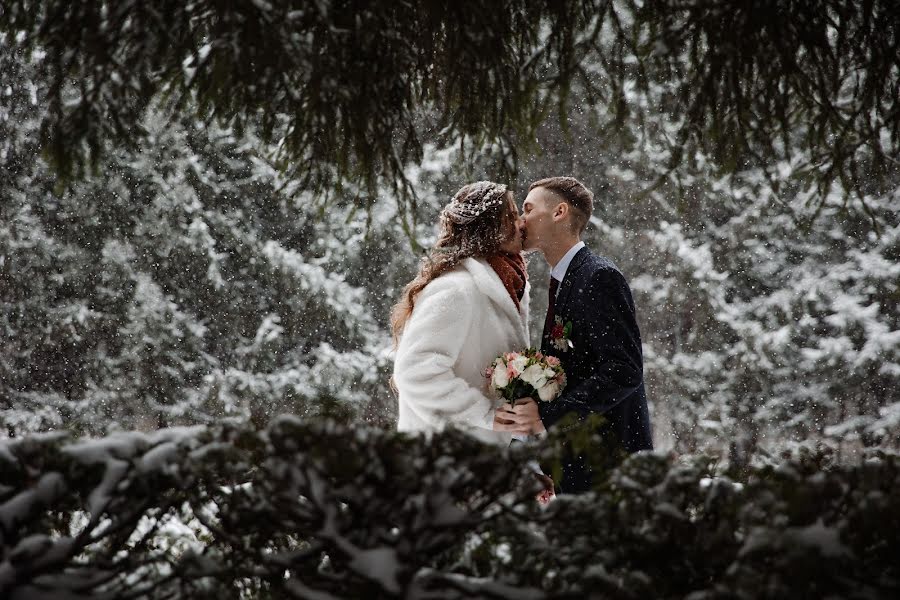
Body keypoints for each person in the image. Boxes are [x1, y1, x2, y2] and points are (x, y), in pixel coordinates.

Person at [506, 176, 653, 494]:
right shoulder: (566, 279)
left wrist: (546, 415)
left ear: (559, 212)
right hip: (580, 465)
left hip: (610, 468)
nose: (521, 220)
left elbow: (624, 371)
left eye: (529, 209)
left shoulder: (598, 277)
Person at [391, 181, 542, 447]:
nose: (521, 223)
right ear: (490, 229)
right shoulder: (457, 289)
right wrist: (482, 413)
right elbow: (415, 371)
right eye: (510, 216)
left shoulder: (505, 284)